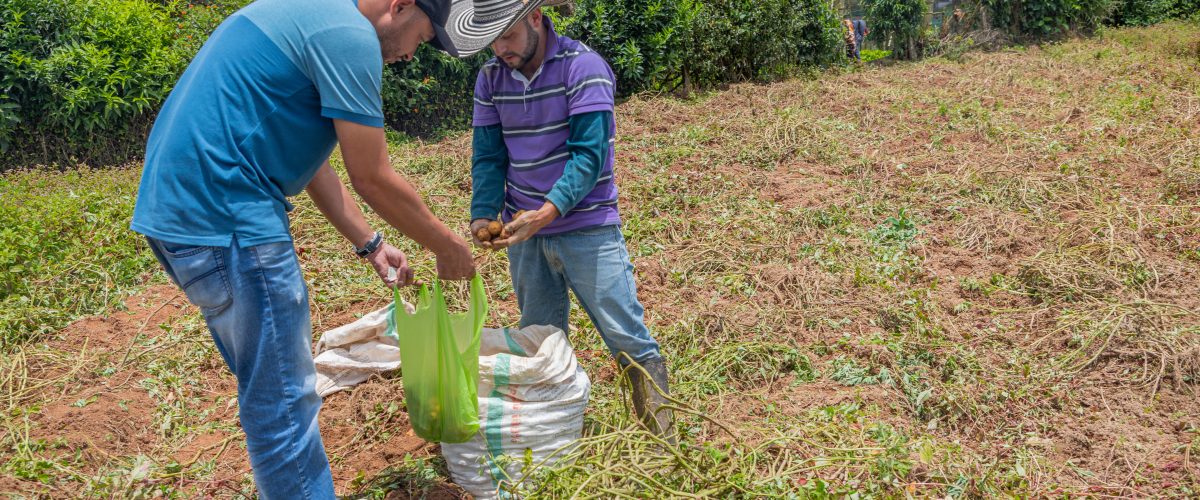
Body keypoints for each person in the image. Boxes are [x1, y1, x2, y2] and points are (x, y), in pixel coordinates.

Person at [130, 0, 478, 497]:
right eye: (420, 39)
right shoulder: (351, 36)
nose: (410, 56)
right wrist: (448, 246)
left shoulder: (312, 15)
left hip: (179, 219)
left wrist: (370, 244)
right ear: (400, 6)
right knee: (283, 404)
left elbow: (313, 162)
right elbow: (373, 176)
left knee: (271, 389)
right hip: (231, 218)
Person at [456, 1, 676, 441]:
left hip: (587, 226)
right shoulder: (491, 78)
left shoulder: (584, 68)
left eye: (508, 35)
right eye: (492, 40)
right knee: (540, 340)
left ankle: (661, 439)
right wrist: (483, 214)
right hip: (524, 233)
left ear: (535, 18)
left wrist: (547, 213)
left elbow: (589, 157)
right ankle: (552, 437)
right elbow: (488, 156)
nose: (500, 49)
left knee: (625, 335)